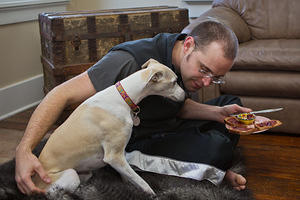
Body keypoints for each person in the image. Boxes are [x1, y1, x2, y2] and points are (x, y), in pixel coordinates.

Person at [15, 20, 251, 195]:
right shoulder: (128, 61)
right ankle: (207, 164)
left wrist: (218, 114)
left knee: (231, 105)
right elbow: (61, 93)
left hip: (168, 125)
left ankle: (201, 164)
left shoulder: (183, 61)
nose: (207, 82)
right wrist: (24, 150)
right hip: (133, 142)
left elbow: (177, 106)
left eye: (216, 77)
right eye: (205, 70)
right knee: (217, 148)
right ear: (188, 45)